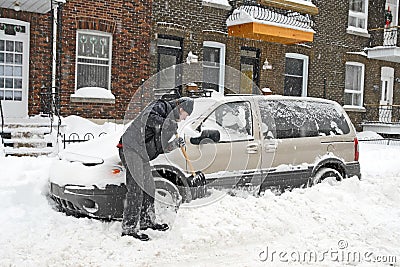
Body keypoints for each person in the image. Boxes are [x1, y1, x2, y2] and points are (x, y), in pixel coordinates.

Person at [117, 97, 194, 241]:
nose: (184, 119)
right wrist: (168, 123)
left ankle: (147, 220)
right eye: (186, 115)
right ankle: (129, 228)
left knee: (149, 187)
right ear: (181, 109)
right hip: (130, 148)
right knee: (136, 188)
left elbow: (160, 147)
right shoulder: (161, 106)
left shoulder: (170, 125)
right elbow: (148, 118)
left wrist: (174, 144)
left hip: (142, 154)